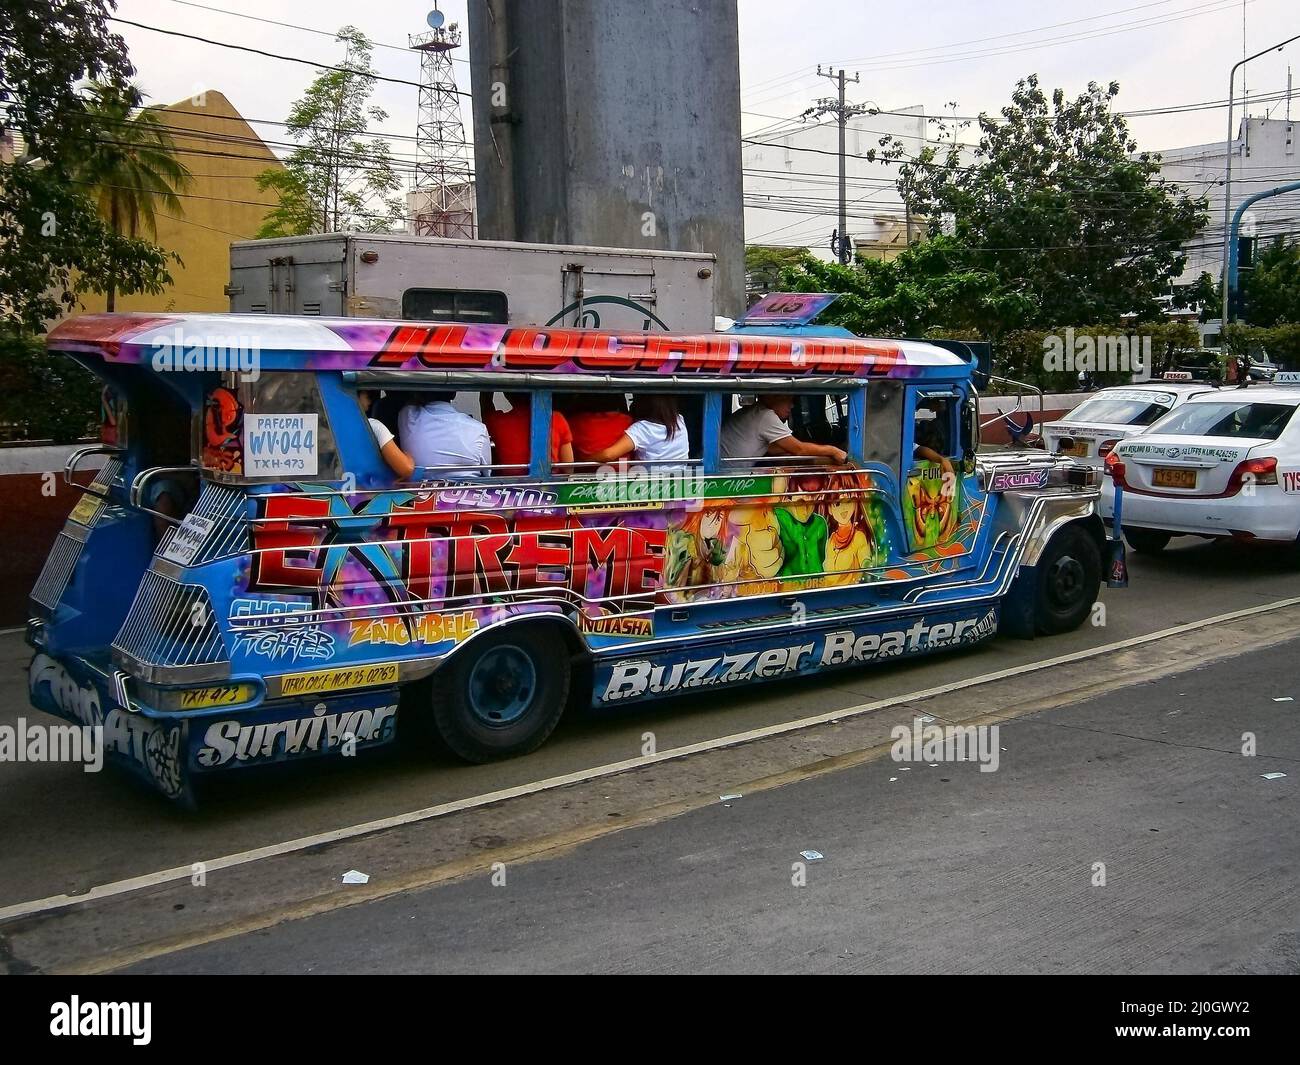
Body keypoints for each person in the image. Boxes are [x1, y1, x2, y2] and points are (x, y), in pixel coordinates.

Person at [720, 394, 846, 466]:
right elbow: (799, 449)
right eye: (788, 400)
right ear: (774, 398)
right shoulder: (765, 416)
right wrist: (833, 451)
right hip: (725, 479)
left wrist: (815, 449)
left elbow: (772, 448)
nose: (791, 406)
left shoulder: (755, 412)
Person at [398, 391, 492, 475]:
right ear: (454, 394)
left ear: (419, 394)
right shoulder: (478, 428)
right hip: (469, 491)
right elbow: (487, 472)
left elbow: (408, 399)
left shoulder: (408, 416)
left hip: (419, 492)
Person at [480, 392, 575, 473]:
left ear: (508, 396)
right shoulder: (557, 418)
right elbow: (568, 468)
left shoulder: (497, 421)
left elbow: (485, 407)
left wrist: (488, 390)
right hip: (553, 487)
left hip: (511, 488)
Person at [582, 395, 688, 467]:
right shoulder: (679, 420)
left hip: (651, 484)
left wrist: (581, 462)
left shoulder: (642, 429)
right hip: (679, 481)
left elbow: (609, 455)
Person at [557, 392, 634, 463]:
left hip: (582, 474)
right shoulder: (627, 421)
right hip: (623, 473)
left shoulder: (572, 422)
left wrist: (582, 463)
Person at [359, 390, 415, 479]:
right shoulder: (373, 425)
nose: (370, 401)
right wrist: (410, 458)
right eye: (367, 396)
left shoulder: (334, 425)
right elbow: (406, 469)